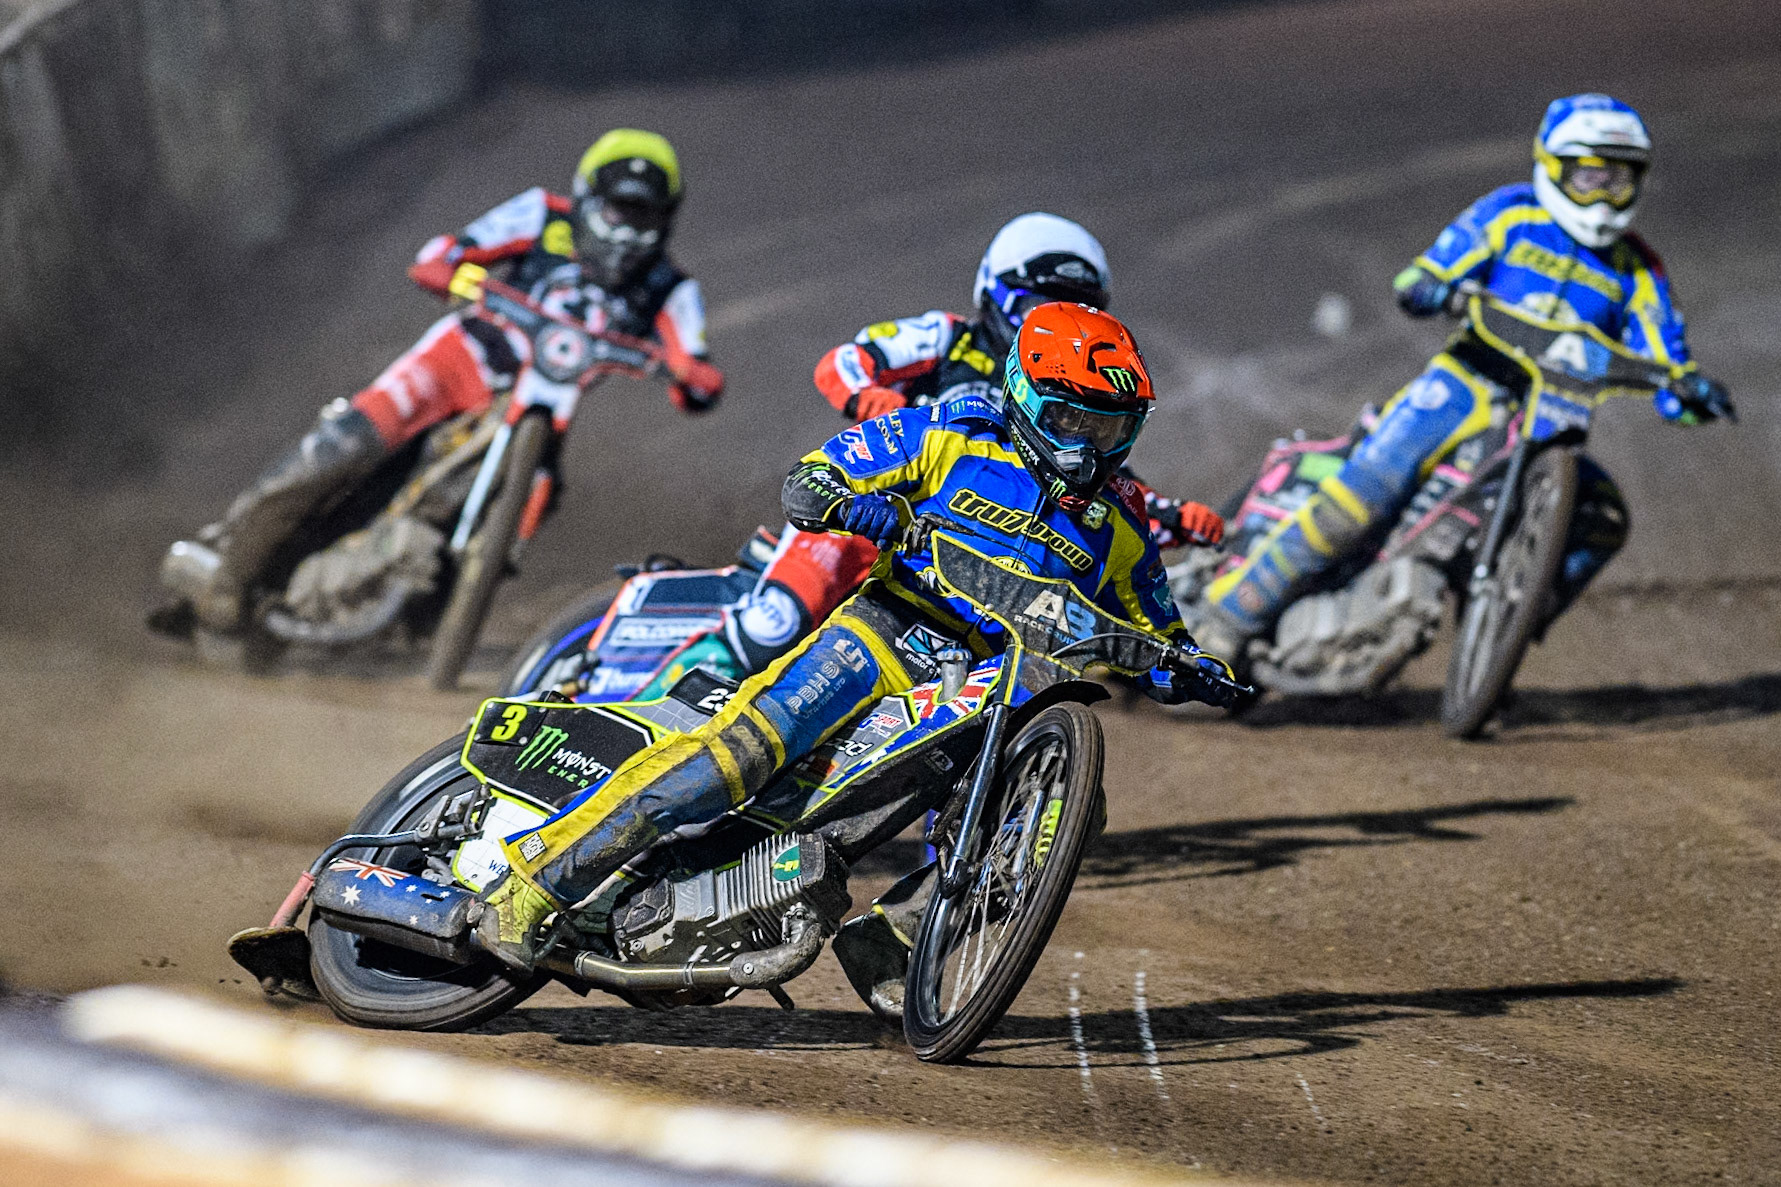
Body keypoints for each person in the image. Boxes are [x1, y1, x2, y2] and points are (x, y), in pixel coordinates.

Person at [471, 303, 1240, 1019]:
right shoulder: (951, 430)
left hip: (985, 687)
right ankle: (535, 878)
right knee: (736, 758)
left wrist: (1191, 668)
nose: (1087, 446)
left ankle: (897, 939)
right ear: (1025, 394)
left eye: (1109, 430)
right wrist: (844, 498)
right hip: (879, 637)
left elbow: (1159, 635)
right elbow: (816, 476)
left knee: (1060, 813)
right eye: (1072, 419)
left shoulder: (1123, 526)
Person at [1201, 94, 1734, 653]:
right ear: (1552, 167)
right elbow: (1429, 272)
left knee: (1604, 517)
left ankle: (1512, 624)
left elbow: (1666, 354)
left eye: (1618, 181)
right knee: (1365, 491)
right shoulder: (1509, 214)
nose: (1603, 197)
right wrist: (1429, 288)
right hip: (1465, 385)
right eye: (1589, 178)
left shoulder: (1638, 268)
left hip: (1555, 420)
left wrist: (1689, 393)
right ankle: (1226, 618)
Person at [153, 129, 724, 639]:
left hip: (541, 412)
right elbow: (442, 255)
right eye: (619, 210)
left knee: (536, 499)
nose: (628, 231)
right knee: (346, 445)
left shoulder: (671, 288)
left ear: (667, 219)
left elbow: (695, 373)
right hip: (456, 363)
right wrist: (455, 271)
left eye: (645, 217)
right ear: (587, 199)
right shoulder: (541, 216)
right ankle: (230, 574)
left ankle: (428, 616)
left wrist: (691, 375)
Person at [722, 212, 1225, 675]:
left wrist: (1170, 513)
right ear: (996, 292)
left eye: (1074, 308)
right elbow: (842, 363)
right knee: (777, 626)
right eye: (1039, 304)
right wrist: (871, 400)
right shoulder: (947, 336)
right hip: (871, 506)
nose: (1055, 321)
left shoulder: (1072, 395)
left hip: (968, 543)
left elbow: (1102, 475)